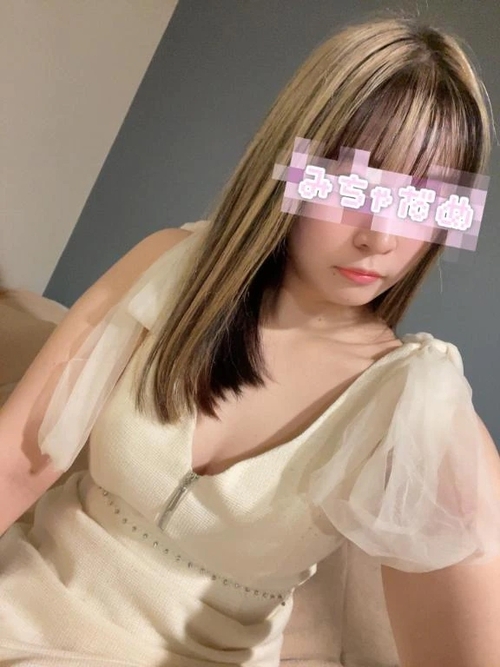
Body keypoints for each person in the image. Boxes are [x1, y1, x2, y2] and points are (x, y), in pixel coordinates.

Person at [1, 12, 500, 667]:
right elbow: (17, 461)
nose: (381, 235)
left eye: (423, 200)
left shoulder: (418, 408)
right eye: (356, 182)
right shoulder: (168, 267)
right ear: (293, 163)